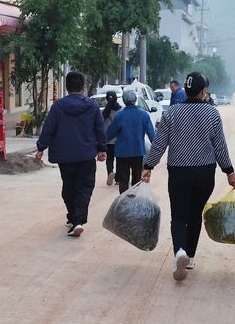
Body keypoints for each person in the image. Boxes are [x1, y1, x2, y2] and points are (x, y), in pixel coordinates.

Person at [141, 72, 235, 280]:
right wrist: (229, 171)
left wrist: (148, 165)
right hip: (204, 172)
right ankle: (191, 256)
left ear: (185, 90)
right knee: (195, 214)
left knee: (179, 215)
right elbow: (220, 147)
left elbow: (159, 143)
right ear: (203, 91)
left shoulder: (171, 113)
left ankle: (180, 251)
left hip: (178, 171)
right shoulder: (212, 113)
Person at [36, 71, 107, 237]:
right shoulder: (92, 106)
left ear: (67, 88)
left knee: (68, 187)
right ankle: (78, 220)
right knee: (84, 188)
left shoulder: (58, 106)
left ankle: (74, 218)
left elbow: (49, 128)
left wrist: (41, 148)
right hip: (86, 155)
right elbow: (100, 128)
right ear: (83, 87)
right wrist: (102, 149)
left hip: (65, 156)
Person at [106, 89, 156, 193]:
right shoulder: (144, 115)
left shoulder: (119, 115)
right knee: (136, 180)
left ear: (124, 101)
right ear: (135, 99)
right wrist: (157, 151)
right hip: (138, 152)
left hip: (122, 153)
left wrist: (100, 144)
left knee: (123, 181)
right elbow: (152, 136)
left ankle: (124, 200)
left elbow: (110, 134)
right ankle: (134, 199)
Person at [102, 91, 122, 186]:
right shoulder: (121, 111)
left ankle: (110, 172)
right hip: (119, 138)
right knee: (119, 159)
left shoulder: (104, 112)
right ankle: (118, 179)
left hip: (108, 138)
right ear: (116, 98)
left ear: (107, 99)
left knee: (109, 159)